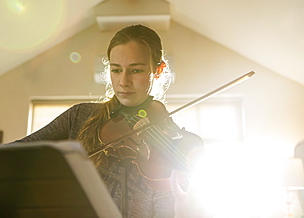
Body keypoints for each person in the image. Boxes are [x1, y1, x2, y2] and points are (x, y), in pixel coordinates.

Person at [15, 24, 204, 217]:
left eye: (136, 70)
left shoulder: (169, 148)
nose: (123, 81)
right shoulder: (79, 117)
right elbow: (15, 153)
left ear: (158, 70)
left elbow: (166, 211)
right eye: (116, 70)